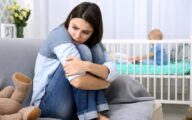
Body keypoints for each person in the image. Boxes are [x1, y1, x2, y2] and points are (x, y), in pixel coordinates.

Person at [30, 2, 118, 120]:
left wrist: (86, 66)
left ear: (93, 32)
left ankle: (93, 111)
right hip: (47, 106)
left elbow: (112, 71)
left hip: (73, 106)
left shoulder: (93, 41)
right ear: (70, 18)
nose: (77, 35)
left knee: (95, 49)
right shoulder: (59, 35)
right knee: (83, 49)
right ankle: (92, 115)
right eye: (74, 27)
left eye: (85, 32)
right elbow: (78, 82)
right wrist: (105, 84)